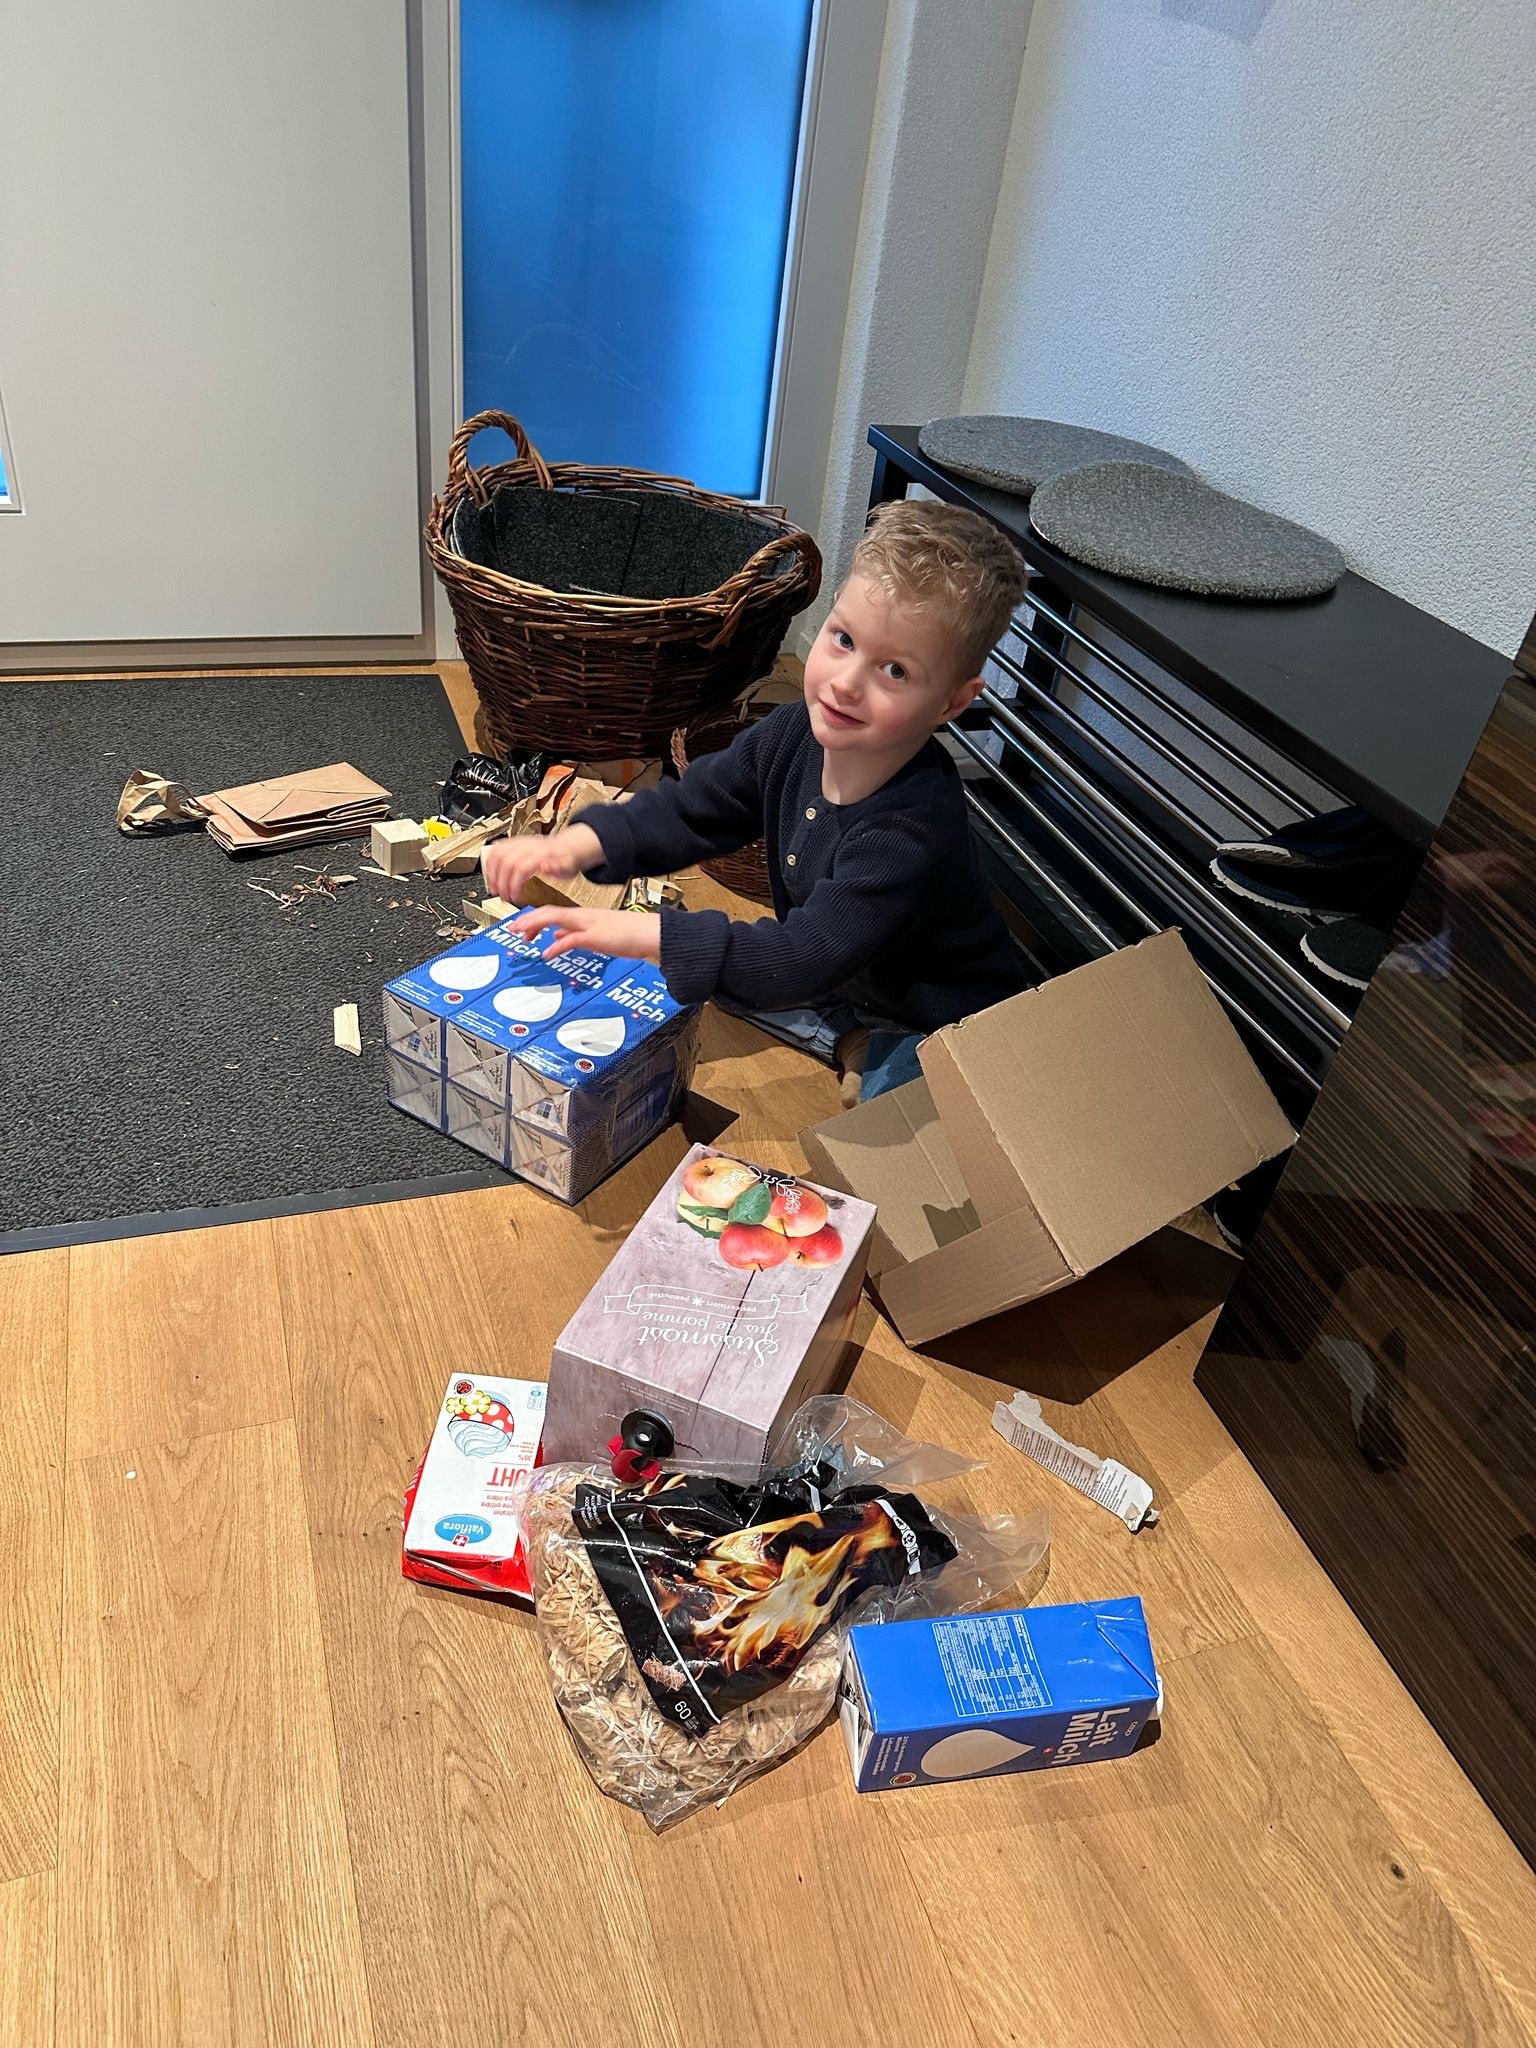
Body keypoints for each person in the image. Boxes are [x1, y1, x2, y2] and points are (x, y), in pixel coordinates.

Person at [482, 498, 1031, 1102]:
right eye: (843, 639)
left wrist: (643, 934)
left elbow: (802, 956)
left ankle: (871, 1046)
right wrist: (580, 844)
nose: (847, 682)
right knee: (725, 975)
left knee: (906, 1100)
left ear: (953, 703)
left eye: (895, 671)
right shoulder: (793, 731)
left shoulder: (910, 827)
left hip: (942, 1017)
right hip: (844, 972)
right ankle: (851, 1035)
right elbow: (694, 807)